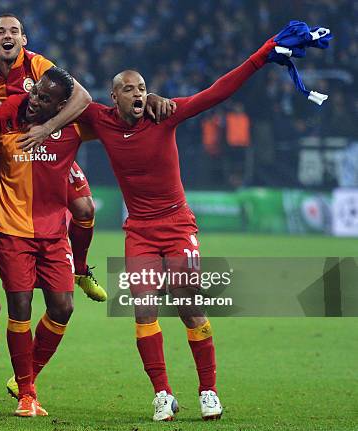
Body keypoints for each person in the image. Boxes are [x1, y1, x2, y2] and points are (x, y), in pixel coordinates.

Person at [76, 36, 280, 421]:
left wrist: (262, 54)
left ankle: (208, 391)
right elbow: (63, 96)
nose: (138, 94)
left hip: (176, 223)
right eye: (129, 89)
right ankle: (162, 394)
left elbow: (218, 92)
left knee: (189, 304)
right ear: (113, 97)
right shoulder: (99, 119)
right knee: (143, 310)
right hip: (139, 229)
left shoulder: (164, 114)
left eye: (142, 88)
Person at [0, 14, 175, 304]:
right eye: (0, 31)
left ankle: (80, 270)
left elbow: (83, 97)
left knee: (85, 209)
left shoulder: (37, 64)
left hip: (47, 144)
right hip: (4, 150)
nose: (7, 36)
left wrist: (47, 129)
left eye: (14, 31)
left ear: (23, 40)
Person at [0, 67, 91, 417]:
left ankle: (24, 376)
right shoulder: (7, 120)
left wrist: (149, 100)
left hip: (53, 233)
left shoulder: (73, 128)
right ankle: (27, 394)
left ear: (62, 105)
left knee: (63, 308)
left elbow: (114, 119)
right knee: (21, 310)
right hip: (13, 234)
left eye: (46, 99)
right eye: (35, 93)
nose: (35, 101)